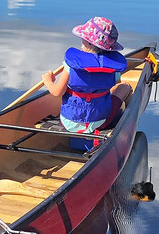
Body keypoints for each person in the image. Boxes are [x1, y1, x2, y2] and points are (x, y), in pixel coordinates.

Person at [41, 16, 131, 151]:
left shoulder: (70, 65)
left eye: (83, 39)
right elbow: (115, 83)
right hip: (100, 121)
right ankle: (127, 114)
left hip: (69, 122)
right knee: (123, 87)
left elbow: (57, 92)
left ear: (88, 43)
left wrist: (48, 80)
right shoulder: (112, 67)